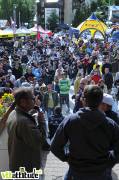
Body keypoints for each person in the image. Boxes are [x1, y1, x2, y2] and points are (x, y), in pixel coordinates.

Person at [51, 85, 119, 180]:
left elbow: (55, 147)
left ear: (83, 100)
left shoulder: (70, 121)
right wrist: (109, 161)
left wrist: (67, 158)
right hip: (102, 173)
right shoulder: (111, 124)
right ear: (100, 102)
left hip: (76, 172)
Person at [7, 87, 46, 172]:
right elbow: (40, 141)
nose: (35, 100)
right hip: (26, 168)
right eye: (32, 98)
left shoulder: (13, 113)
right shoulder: (24, 122)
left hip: (17, 164)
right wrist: (42, 122)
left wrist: (32, 110)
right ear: (23, 102)